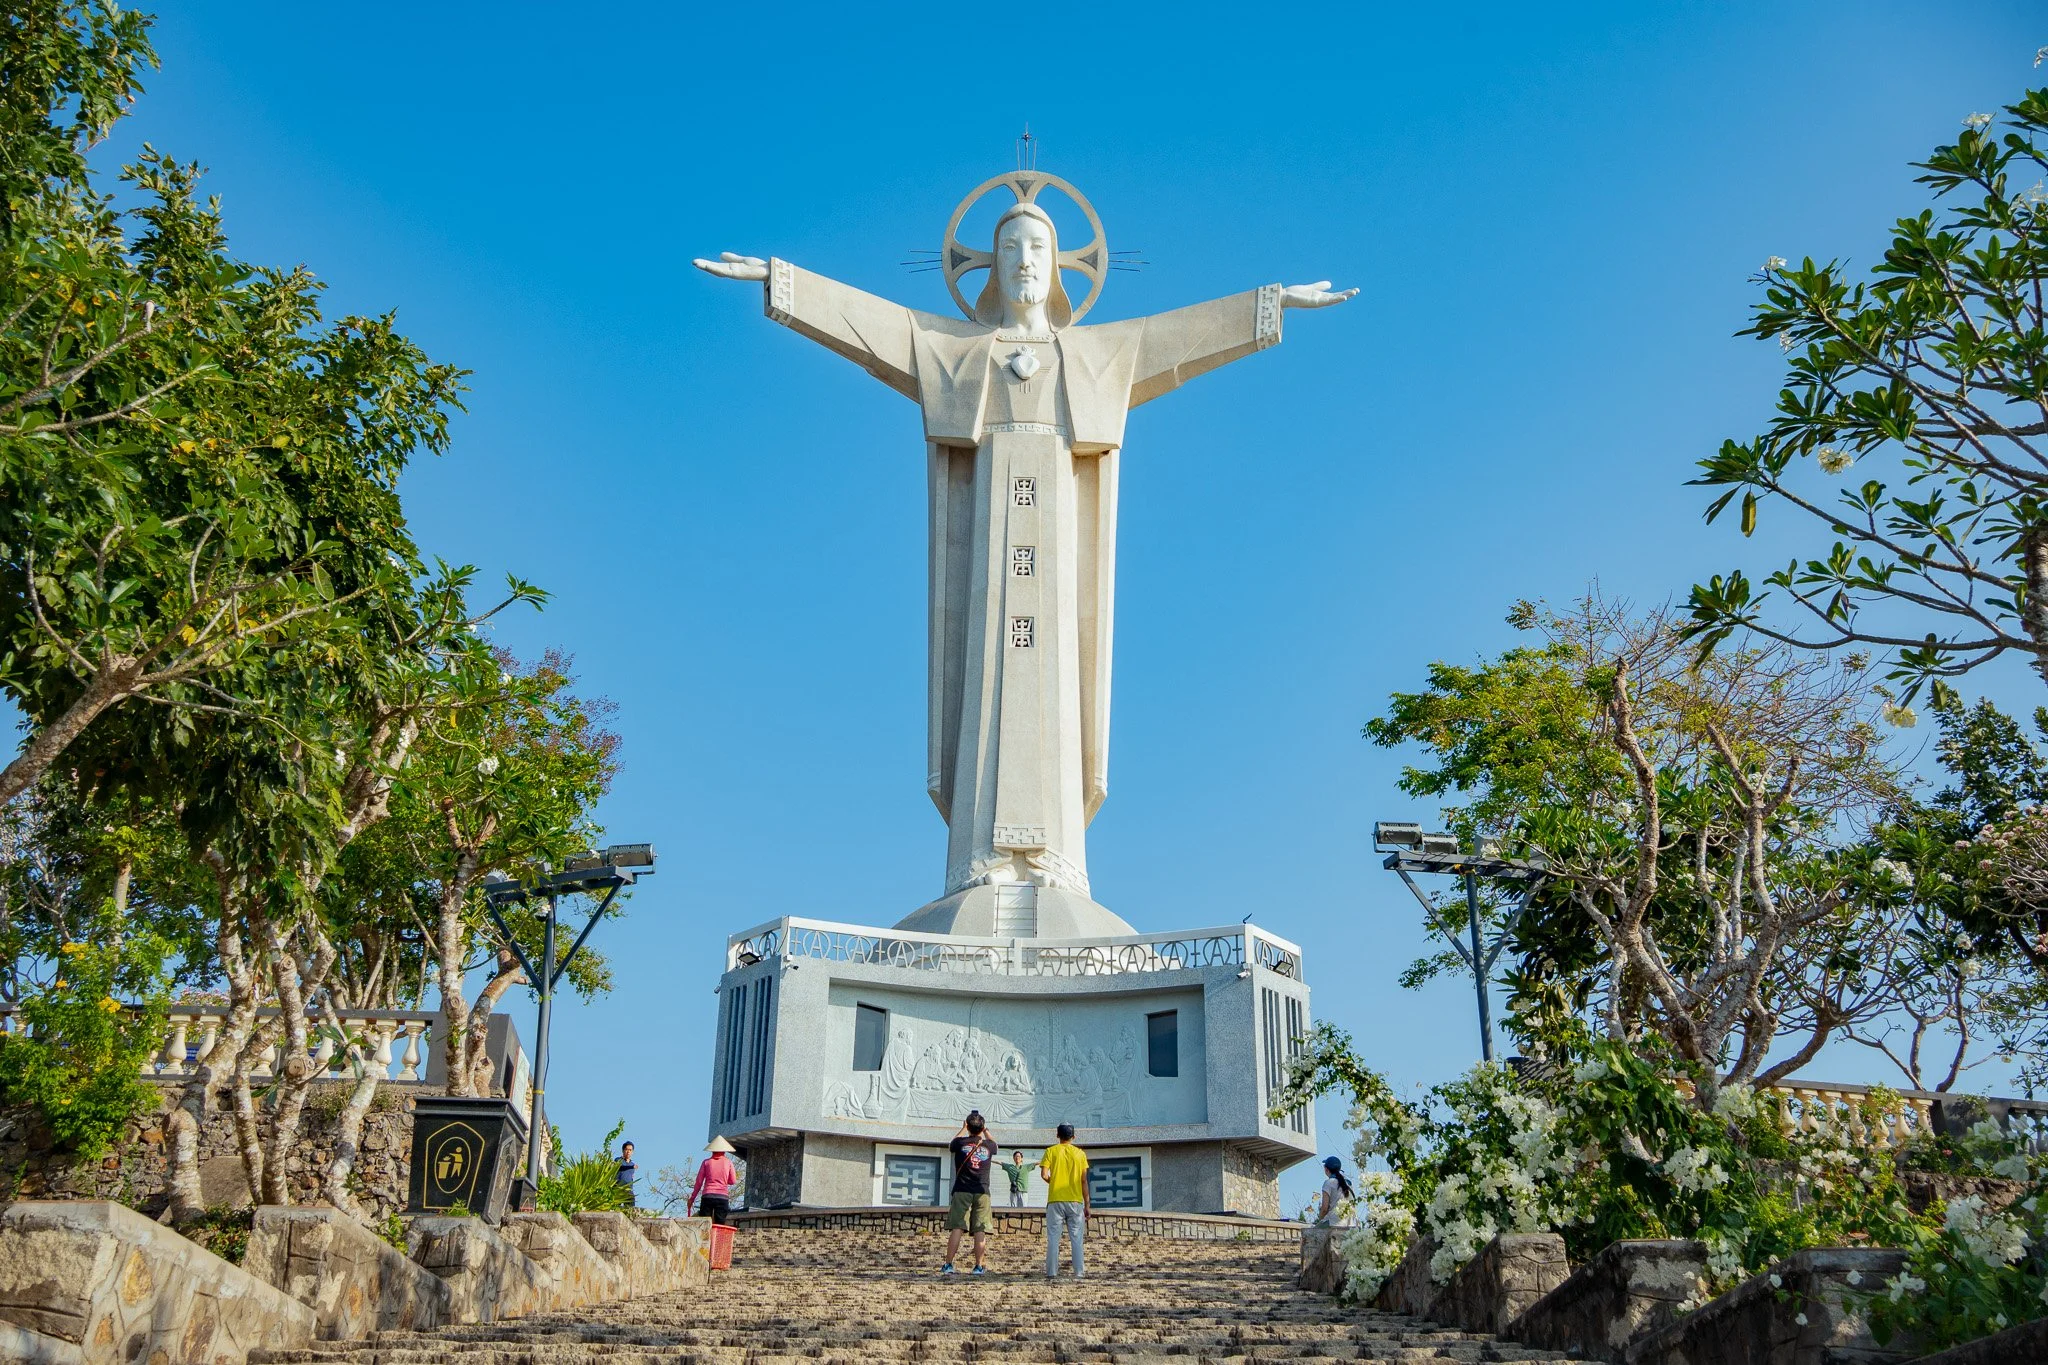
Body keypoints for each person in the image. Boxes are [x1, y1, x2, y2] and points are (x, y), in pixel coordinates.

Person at [941, 1110, 998, 1275]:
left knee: (957, 1227)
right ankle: (979, 1266)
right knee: (980, 1228)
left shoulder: (960, 1143)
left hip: (962, 1189)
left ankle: (948, 1264)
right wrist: (985, 1130)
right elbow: (995, 1144)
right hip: (982, 1191)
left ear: (968, 1126)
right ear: (982, 1128)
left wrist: (963, 1129)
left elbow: (952, 1143)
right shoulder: (988, 1146)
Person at [1039, 1122, 1090, 1280]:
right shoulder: (1080, 1154)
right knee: (1076, 1238)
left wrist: (1053, 1182)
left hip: (1055, 1200)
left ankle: (1052, 1272)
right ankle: (1079, 1272)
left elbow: (1044, 1174)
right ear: (1073, 1137)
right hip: (1075, 1200)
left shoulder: (1050, 1151)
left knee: (1053, 1237)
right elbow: (1083, 1180)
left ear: (1057, 1135)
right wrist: (1087, 1203)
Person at [691, 1136, 740, 1225]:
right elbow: (732, 1181)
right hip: (722, 1197)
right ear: (724, 1151)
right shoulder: (728, 1162)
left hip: (707, 1196)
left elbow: (699, 1182)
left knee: (705, 1224)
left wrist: (692, 1198)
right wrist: (723, 1180)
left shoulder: (706, 1162)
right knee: (720, 1224)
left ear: (712, 1150)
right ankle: (717, 1238)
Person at [1316, 1155, 1355, 1228]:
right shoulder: (1349, 1183)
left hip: (1334, 1222)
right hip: (1350, 1223)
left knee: (1311, 1234)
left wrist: (1320, 1220)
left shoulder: (1328, 1183)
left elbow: (1324, 1209)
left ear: (1326, 1169)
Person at [614, 1140, 638, 1209]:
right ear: (623, 1150)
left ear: (632, 1152)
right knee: (616, 1208)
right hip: (618, 1188)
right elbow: (621, 1167)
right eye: (626, 1149)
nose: (628, 1151)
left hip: (628, 1190)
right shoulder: (618, 1160)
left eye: (630, 1150)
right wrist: (631, 1167)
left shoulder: (632, 1164)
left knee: (630, 1209)